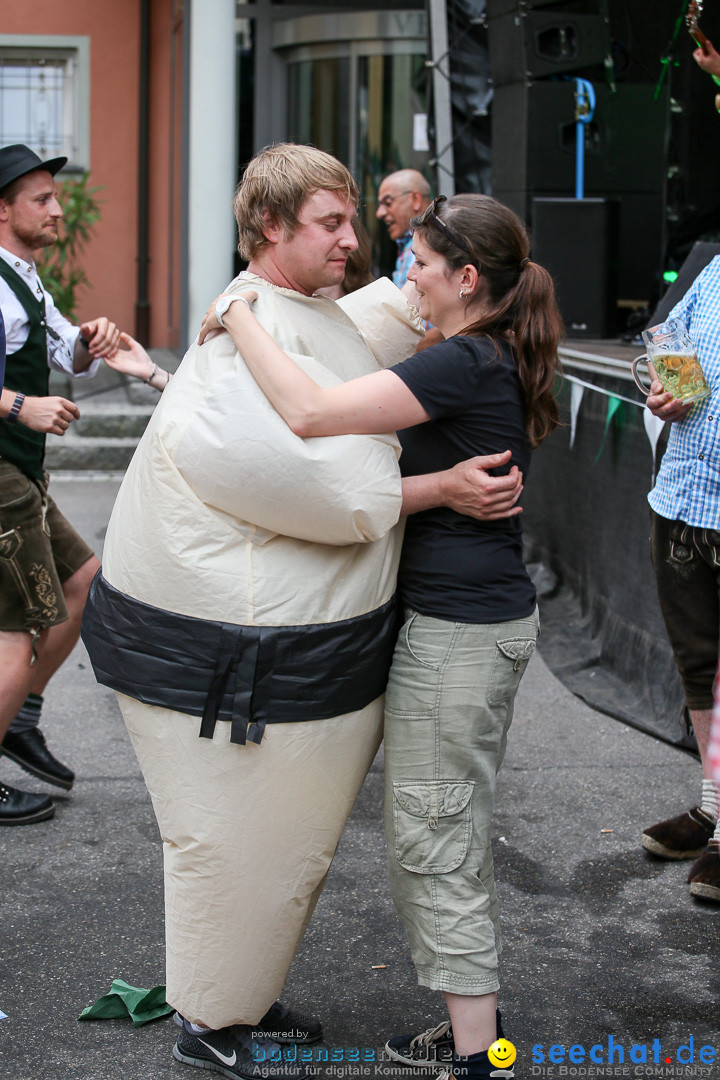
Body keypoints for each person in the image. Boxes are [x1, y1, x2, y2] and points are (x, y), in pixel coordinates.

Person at [80, 144, 524, 1080]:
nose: (357, 243)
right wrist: (435, 481)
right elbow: (343, 487)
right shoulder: (238, 341)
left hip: (292, 665)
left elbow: (365, 328)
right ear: (270, 228)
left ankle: (242, 993)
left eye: (357, 221)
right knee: (232, 844)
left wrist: (424, 298)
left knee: (280, 847)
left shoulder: (288, 312)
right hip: (226, 670)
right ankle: (212, 1019)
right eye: (332, 224)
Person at [200, 191, 562, 1080]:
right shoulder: (483, 354)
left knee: (437, 841)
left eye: (422, 264)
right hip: (474, 627)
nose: (407, 275)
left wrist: (236, 312)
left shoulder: (463, 361)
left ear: (465, 278)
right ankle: (473, 1027)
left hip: (459, 637)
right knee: (442, 832)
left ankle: (480, 1055)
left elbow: (311, 415)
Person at [0, 143, 119, 824]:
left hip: (21, 471)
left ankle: (19, 715)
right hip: (3, 473)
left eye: (56, 196)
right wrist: (24, 407)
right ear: (3, 209)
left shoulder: (27, 277)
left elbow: (64, 353)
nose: (56, 208)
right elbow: (26, 388)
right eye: (40, 199)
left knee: (85, 581)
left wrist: (92, 339)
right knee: (17, 636)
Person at [640, 258, 720, 904]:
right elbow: (670, 333)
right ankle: (714, 806)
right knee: (698, 665)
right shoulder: (718, 264)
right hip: (682, 498)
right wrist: (668, 387)